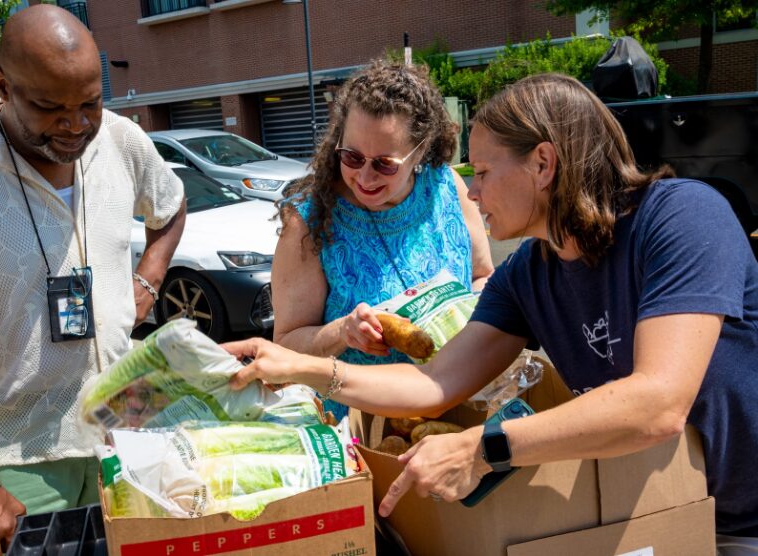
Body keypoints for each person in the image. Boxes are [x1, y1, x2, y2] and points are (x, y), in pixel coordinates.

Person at [224, 73, 758, 551]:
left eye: (482, 171)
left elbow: (657, 405)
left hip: (743, 522)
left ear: (543, 164)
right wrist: (299, 366)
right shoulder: (527, 272)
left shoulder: (684, 217)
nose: (472, 191)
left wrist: (486, 447)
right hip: (657, 509)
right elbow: (435, 383)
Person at [0, 5, 186, 555]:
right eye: (49, 107)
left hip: (129, 425)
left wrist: (150, 279)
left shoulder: (120, 138)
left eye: (89, 102)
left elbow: (170, 206)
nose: (76, 124)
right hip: (19, 451)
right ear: (3, 88)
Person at [272, 61, 494, 420]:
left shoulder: (446, 187)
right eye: (352, 156)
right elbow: (285, 346)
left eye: (385, 164)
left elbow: (483, 276)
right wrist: (343, 332)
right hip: (359, 429)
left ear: (420, 151)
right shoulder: (308, 221)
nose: (364, 176)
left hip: (459, 404)